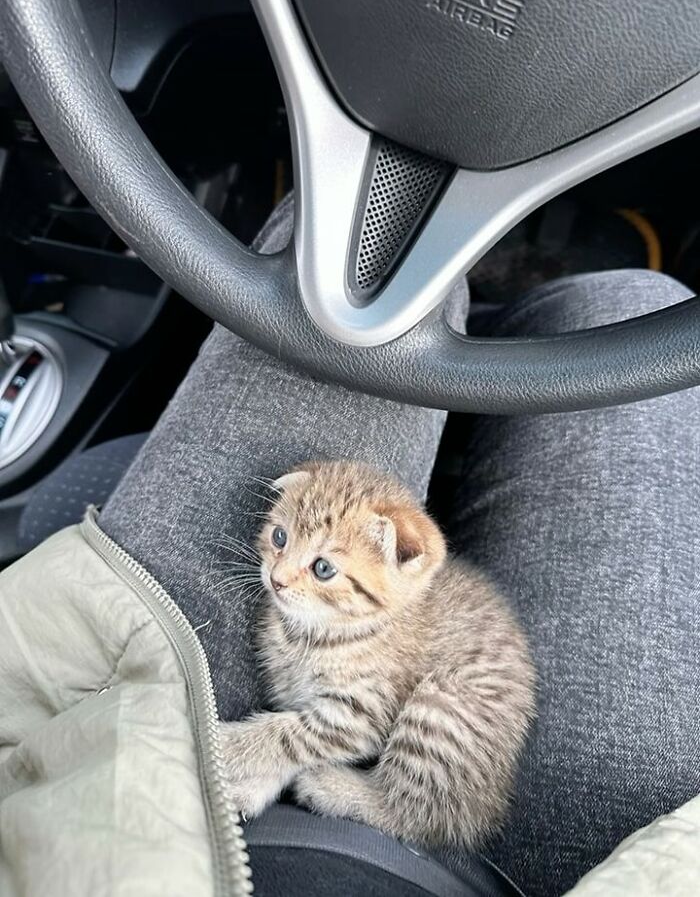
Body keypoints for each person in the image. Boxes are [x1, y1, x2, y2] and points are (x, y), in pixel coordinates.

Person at [98, 197, 700, 896]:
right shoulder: (330, 591)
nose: (280, 573)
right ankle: (468, 300)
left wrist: (282, 745)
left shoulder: (381, 613)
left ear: (404, 562)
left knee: (347, 235)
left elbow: (356, 721)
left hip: (421, 780)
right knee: (637, 299)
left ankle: (393, 809)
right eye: (281, 536)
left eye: (319, 567)